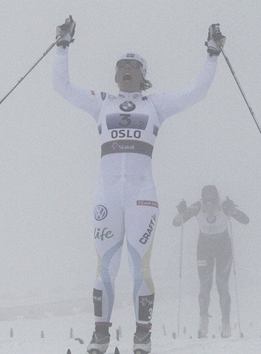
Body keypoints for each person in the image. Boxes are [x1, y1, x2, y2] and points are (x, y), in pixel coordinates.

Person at [52, 16, 226, 354]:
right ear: (115, 75)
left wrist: (211, 54)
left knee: (138, 267)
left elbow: (197, 93)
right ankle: (100, 334)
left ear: (143, 75)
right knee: (105, 268)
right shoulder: (101, 101)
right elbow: (63, 87)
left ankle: (142, 335)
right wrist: (62, 46)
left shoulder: (156, 105)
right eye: (121, 66)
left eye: (133, 66)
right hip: (106, 195)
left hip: (141, 196)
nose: (126, 70)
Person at [172, 185, 249, 339]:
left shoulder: (224, 207)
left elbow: (245, 220)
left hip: (223, 247)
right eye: (206, 203)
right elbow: (176, 222)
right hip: (205, 247)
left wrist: (232, 210)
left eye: (212, 203)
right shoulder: (197, 207)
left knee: (222, 284)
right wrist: (181, 212)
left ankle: (226, 323)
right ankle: (203, 321)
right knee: (205, 285)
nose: (209, 207)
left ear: (217, 200)